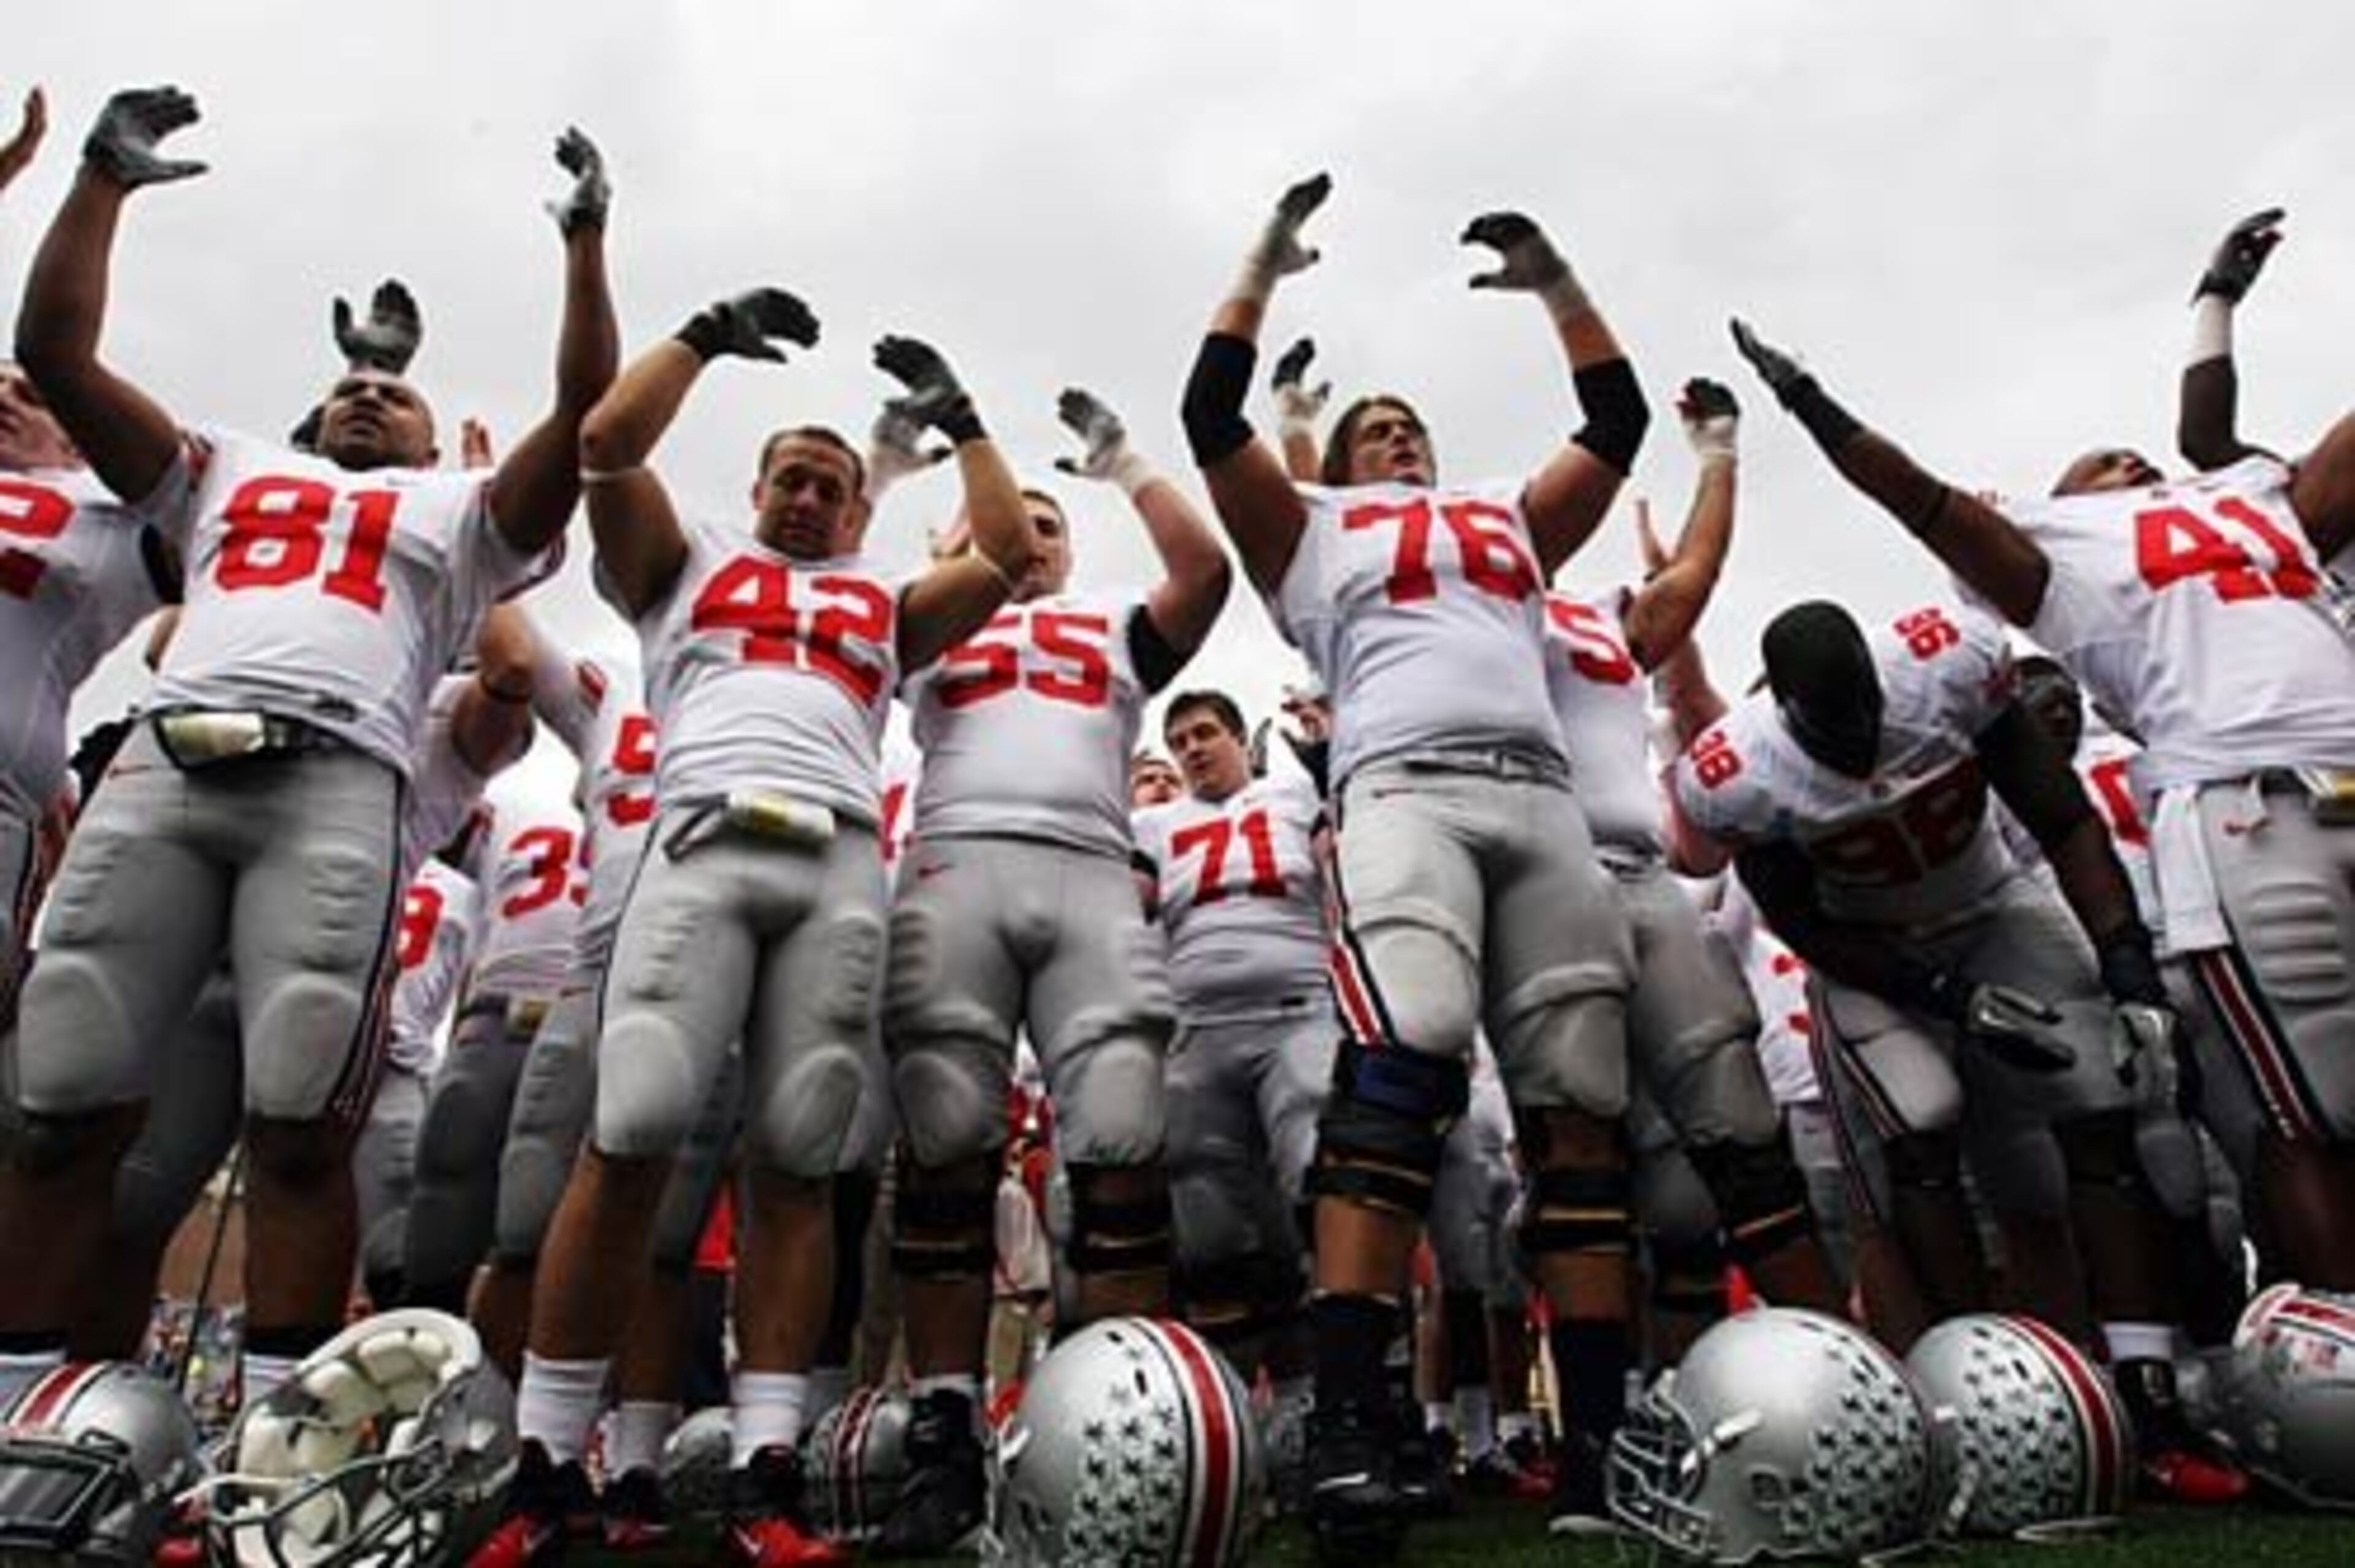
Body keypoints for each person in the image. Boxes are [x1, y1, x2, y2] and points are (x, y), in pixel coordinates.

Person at [0, 86, 614, 1406]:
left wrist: (582, 245)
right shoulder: (218, 466)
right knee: (59, 1100)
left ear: (434, 431)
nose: (365, 396)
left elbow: (585, 421)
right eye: (345, 385)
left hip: (336, 779)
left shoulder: (457, 513)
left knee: (299, 1121)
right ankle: (26, 1405)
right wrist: (101, 180)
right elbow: (54, 349)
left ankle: (276, 1426)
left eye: (391, 391)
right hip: (170, 763)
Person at [479, 282, 1036, 1568]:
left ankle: (768, 1464)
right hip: (704, 839)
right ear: (760, 484)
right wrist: (703, 336)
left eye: (830, 483)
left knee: (798, 1158)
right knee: (630, 1134)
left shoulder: (884, 604)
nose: (807, 495)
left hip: (838, 857)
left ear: (857, 509)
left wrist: (963, 421)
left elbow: (1002, 553)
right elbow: (607, 446)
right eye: (789, 473)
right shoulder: (690, 565)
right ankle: (547, 1458)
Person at [1180, 173, 1646, 1558]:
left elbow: (1612, 423)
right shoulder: (1309, 529)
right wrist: (1261, 263)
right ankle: (1344, 1417)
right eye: (1369, 426)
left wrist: (1557, 279)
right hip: (1399, 791)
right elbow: (1209, 414)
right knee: (1403, 1064)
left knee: (1578, 1105)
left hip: (1540, 805)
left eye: (1406, 425)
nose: (1389, 438)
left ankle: (1599, 1437)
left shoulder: (1505, 517)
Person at [1731, 306, 2355, 1294]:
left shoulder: (2255, 497)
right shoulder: (2059, 565)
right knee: (2294, 1116)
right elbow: (1924, 500)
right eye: (2103, 463)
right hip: (2247, 808)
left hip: (2326, 782)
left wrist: (2212, 306)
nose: (2131, 466)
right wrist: (1811, 405)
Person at [1666, 597, 2238, 1497]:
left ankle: (2148, 1390)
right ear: (1783, 708)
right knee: (1922, 1122)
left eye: (1865, 714)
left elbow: (2064, 820)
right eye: (1833, 727)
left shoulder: (1945, 670)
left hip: (1993, 907)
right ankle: (1963, 1392)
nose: (1859, 742)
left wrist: (2125, 958)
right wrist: (1947, 997)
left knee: (2101, 1103)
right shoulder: (1742, 773)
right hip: (1874, 956)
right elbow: (1800, 921)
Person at [879, 384, 1227, 1556]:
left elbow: (1208, 571)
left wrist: (1127, 459)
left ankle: (1119, 1409)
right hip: (957, 864)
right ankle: (944, 1419)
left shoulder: (1113, 623)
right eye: (1004, 521)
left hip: (1085, 869)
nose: (1026, 538)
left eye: (1048, 524)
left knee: (1124, 1145)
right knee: (945, 1152)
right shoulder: (927, 619)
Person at [1540, 384, 1843, 1358]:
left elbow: (1697, 575)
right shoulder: (1421, 611)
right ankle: (1589, 1435)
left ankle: (1831, 1375)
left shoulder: (1589, 620)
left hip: (1635, 876)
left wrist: (1717, 452)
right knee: (1575, 1150)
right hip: (1530, 882)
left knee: (1717, 1164)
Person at [1134, 688, 1329, 1383]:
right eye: (1179, 738)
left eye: (1205, 732)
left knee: (1320, 1182)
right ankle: (1233, 1399)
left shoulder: (1295, 795)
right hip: (1199, 1028)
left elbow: (1347, 869)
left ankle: (1342, 1389)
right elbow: (1125, 912)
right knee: (1211, 1223)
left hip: (1299, 1008)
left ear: (1240, 739)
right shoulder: (1154, 826)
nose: (1191, 749)